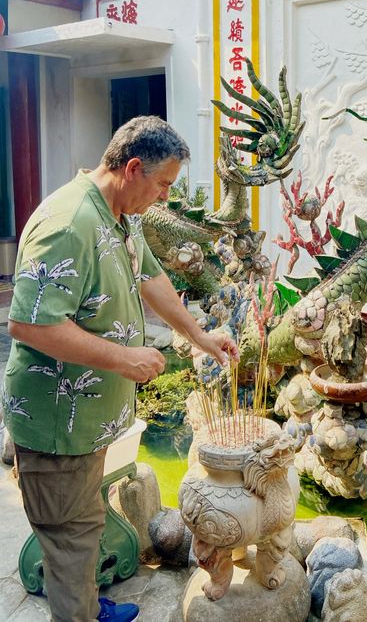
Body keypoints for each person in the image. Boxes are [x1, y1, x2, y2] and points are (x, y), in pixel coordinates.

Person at [2, 116, 239, 622]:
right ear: (133, 168)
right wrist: (125, 357)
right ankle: (78, 611)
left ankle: (86, 604)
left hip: (87, 424)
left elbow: (150, 278)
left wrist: (199, 336)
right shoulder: (69, 223)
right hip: (55, 428)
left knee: (85, 528)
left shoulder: (119, 215)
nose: (165, 196)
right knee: (69, 543)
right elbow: (29, 325)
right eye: (163, 185)